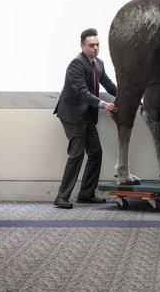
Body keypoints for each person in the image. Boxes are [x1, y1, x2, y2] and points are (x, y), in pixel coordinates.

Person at [53, 28, 119, 209]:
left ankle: (86, 194)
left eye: (97, 45)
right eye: (91, 45)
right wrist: (104, 105)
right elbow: (83, 92)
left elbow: (109, 85)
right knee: (76, 154)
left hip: (87, 115)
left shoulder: (99, 63)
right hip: (72, 114)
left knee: (96, 152)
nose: (95, 48)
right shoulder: (75, 64)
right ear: (82, 46)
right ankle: (61, 197)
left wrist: (128, 96)